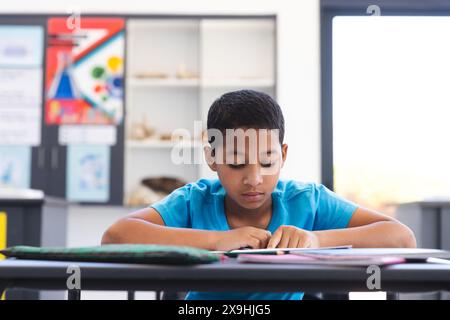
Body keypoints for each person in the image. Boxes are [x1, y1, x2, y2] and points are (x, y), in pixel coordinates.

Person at [102, 89, 416, 300]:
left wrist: (317, 239)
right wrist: (215, 241)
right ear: (212, 158)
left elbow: (401, 238)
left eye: (267, 162)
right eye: (237, 163)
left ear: (283, 154)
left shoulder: (307, 201)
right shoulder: (192, 201)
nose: (254, 178)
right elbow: (115, 237)